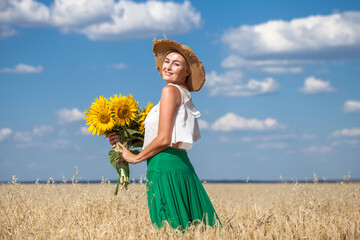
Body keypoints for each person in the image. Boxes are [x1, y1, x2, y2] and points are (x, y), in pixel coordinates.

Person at [108, 39, 222, 231]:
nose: (168, 66)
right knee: (194, 227)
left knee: (170, 227)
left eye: (176, 64)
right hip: (179, 163)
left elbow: (163, 139)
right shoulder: (183, 93)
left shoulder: (169, 91)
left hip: (164, 165)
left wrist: (135, 158)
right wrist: (124, 140)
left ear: (186, 73)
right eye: (167, 61)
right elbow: (163, 136)